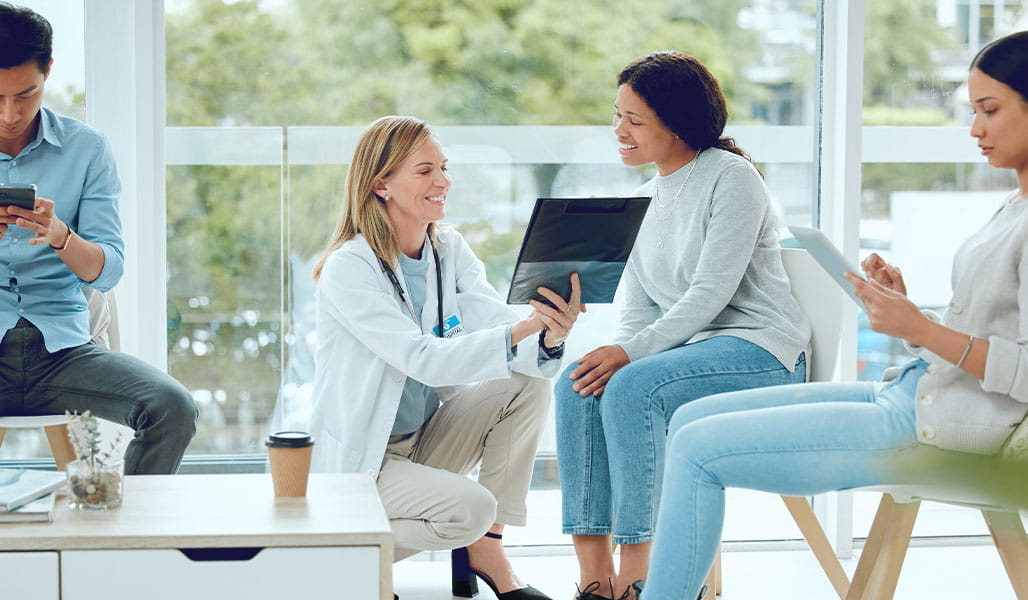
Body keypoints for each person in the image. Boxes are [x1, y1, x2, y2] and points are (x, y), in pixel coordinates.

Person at [630, 30, 1028, 600]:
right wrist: (910, 313)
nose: (975, 129)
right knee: (687, 422)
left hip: (950, 428)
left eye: (990, 110)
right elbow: (990, 331)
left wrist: (920, 329)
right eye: (973, 111)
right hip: (917, 394)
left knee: (697, 450)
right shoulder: (1012, 205)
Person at [555, 50, 811, 600]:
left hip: (761, 352)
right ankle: (595, 580)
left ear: (677, 125)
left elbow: (709, 293)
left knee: (631, 383)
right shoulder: (644, 196)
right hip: (687, 355)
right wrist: (617, 348)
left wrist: (630, 356)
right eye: (617, 115)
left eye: (634, 120)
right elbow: (643, 309)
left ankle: (644, 577)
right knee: (576, 383)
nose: (618, 130)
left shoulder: (732, 178)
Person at [310, 115, 582, 600]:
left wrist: (548, 333)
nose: (443, 182)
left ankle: (487, 549)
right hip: (369, 460)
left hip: (427, 437)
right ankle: (339, 556)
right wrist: (522, 328)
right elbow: (423, 359)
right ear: (381, 185)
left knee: (529, 383)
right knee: (470, 508)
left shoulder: (446, 248)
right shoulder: (348, 267)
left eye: (444, 167)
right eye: (425, 171)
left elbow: (493, 321)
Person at [0, 2, 196, 474]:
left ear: (48, 70)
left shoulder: (86, 149)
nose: (10, 113)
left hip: (63, 353)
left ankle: (123, 544)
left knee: (173, 407)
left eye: (25, 94)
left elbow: (106, 271)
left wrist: (61, 235)